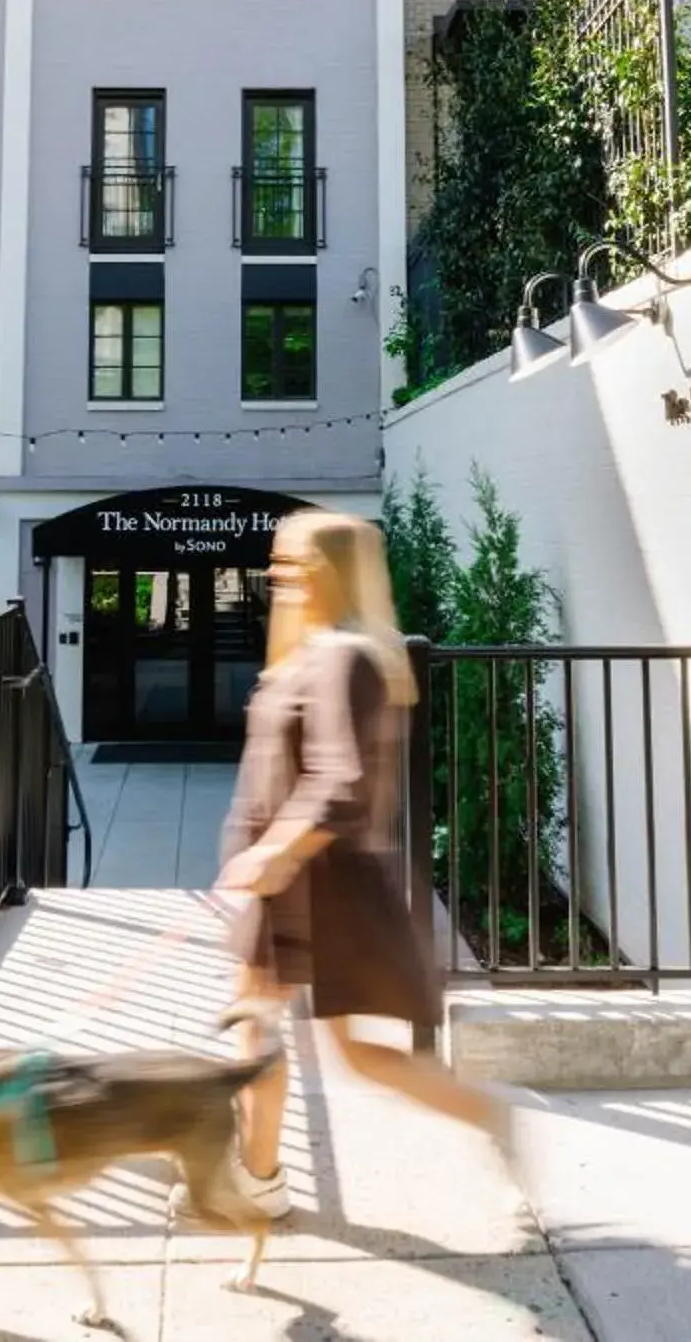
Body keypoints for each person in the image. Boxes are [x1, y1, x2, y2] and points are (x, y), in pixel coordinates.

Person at [214, 510, 506, 1214]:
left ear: (329, 573)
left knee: (276, 1035)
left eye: (294, 564)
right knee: (282, 1035)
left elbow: (340, 783)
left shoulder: (345, 657)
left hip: (317, 882)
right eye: (278, 562)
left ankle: (260, 1180)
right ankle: (259, 1176)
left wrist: (274, 852)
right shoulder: (311, 652)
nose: (278, 574)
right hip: (298, 881)